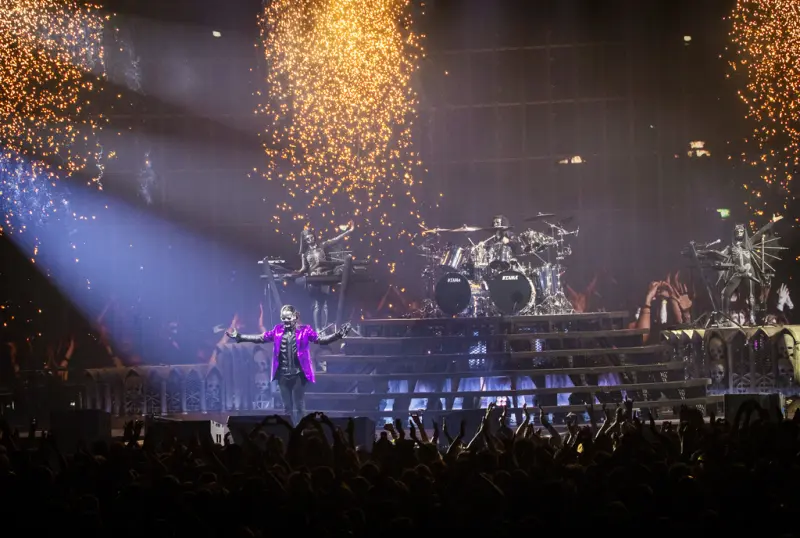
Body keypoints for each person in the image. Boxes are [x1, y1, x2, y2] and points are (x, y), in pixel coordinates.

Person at [226, 304, 351, 425]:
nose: (286, 322)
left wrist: (337, 335)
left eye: (289, 318)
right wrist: (240, 337)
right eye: (284, 319)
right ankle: (291, 430)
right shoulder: (277, 331)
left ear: (295, 317)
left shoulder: (305, 331)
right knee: (287, 406)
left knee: (299, 404)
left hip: (299, 373)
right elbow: (260, 338)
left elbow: (321, 340)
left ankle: (301, 429)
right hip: (283, 374)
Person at [718, 215, 782, 325]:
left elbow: (760, 232)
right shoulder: (730, 247)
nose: (739, 232)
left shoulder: (749, 242)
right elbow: (719, 255)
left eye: (741, 231)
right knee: (725, 293)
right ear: (734, 232)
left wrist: (772, 222)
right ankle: (725, 317)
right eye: (737, 231)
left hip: (748, 272)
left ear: (744, 232)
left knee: (750, 295)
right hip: (737, 272)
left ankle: (752, 318)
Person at [294, 221, 355, 333]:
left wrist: (349, 231)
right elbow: (303, 268)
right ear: (305, 241)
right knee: (317, 304)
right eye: (307, 239)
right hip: (314, 278)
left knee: (325, 304)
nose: (310, 240)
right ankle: (318, 329)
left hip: (325, 276)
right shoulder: (305, 254)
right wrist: (296, 272)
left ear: (314, 237)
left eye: (311, 237)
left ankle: (324, 328)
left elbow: (336, 239)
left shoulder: (322, 246)